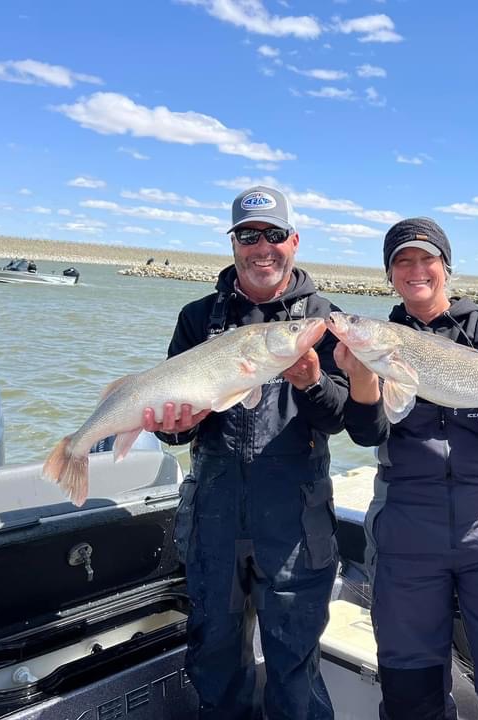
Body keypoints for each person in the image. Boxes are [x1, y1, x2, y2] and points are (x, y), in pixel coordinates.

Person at [142, 185, 382, 720]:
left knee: (294, 662)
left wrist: (314, 382)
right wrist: (174, 428)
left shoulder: (324, 319)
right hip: (214, 512)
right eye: (249, 236)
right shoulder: (197, 317)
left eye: (273, 235)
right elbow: (175, 434)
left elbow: (347, 421)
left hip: (294, 518)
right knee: (216, 658)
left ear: (293, 241)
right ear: (233, 245)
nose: (262, 247)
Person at [334, 217, 478, 720]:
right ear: (390, 275)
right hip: (407, 531)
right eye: (402, 262)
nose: (416, 270)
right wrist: (360, 380)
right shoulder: (377, 340)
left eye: (426, 259)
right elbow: (368, 433)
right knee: (410, 685)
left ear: (446, 267)